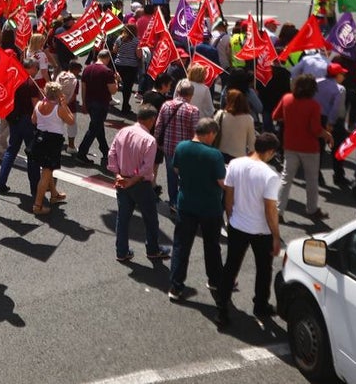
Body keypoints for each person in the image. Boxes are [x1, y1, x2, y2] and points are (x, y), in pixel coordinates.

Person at [216, 132, 282, 328]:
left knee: (230, 267)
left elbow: (228, 194)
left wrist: (230, 217)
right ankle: (260, 305)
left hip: (237, 224)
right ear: (270, 152)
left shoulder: (236, 164)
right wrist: (276, 236)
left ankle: (222, 309)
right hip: (261, 231)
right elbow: (270, 209)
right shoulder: (270, 175)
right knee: (263, 268)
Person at [168, 118, 225, 301]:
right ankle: (215, 281)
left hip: (185, 204)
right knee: (211, 246)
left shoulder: (181, 147)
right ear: (209, 133)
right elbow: (222, 183)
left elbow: (176, 169)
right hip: (210, 208)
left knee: (181, 246)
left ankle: (176, 286)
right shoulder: (214, 155)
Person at [107, 105, 172, 264]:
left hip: (122, 180)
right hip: (140, 185)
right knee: (150, 219)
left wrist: (118, 175)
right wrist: (132, 180)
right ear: (151, 120)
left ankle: (121, 252)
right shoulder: (149, 140)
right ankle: (153, 250)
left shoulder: (123, 131)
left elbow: (112, 154)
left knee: (123, 218)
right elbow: (146, 167)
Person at [274, 74, 331, 222]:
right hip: (309, 148)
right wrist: (327, 135)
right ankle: (312, 210)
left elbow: (276, 116)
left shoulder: (287, 99)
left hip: (290, 144)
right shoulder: (313, 105)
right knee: (311, 180)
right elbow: (315, 129)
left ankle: (278, 210)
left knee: (286, 178)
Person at [0, 58, 42, 196]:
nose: (38, 70)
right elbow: (36, 106)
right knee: (32, 155)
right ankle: (35, 188)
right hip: (27, 121)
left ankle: (0, 182)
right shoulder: (31, 83)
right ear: (31, 67)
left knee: (11, 151)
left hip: (14, 119)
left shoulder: (14, 79)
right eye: (37, 67)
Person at [154, 80, 201, 212]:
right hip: (186, 150)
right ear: (191, 94)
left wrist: (158, 142)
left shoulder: (167, 105)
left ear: (178, 92)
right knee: (186, 176)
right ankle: (183, 200)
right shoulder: (193, 110)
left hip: (168, 147)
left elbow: (159, 126)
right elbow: (195, 132)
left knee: (171, 175)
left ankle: (173, 201)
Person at [31, 81, 74, 215]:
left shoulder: (38, 104)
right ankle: (37, 206)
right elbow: (71, 121)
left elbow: (34, 120)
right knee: (46, 173)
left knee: (46, 169)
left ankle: (54, 195)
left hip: (39, 139)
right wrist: (65, 106)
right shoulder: (59, 108)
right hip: (53, 142)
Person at [77, 49, 118, 164]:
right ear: (107, 58)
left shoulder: (87, 69)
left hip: (89, 102)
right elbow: (113, 91)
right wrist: (117, 81)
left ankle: (105, 151)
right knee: (94, 128)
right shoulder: (107, 72)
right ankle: (82, 152)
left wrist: (84, 103)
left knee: (98, 127)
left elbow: (83, 87)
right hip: (101, 104)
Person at [214, 89, 256, 161]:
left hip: (220, 152)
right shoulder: (248, 119)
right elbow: (252, 143)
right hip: (238, 157)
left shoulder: (220, 114)